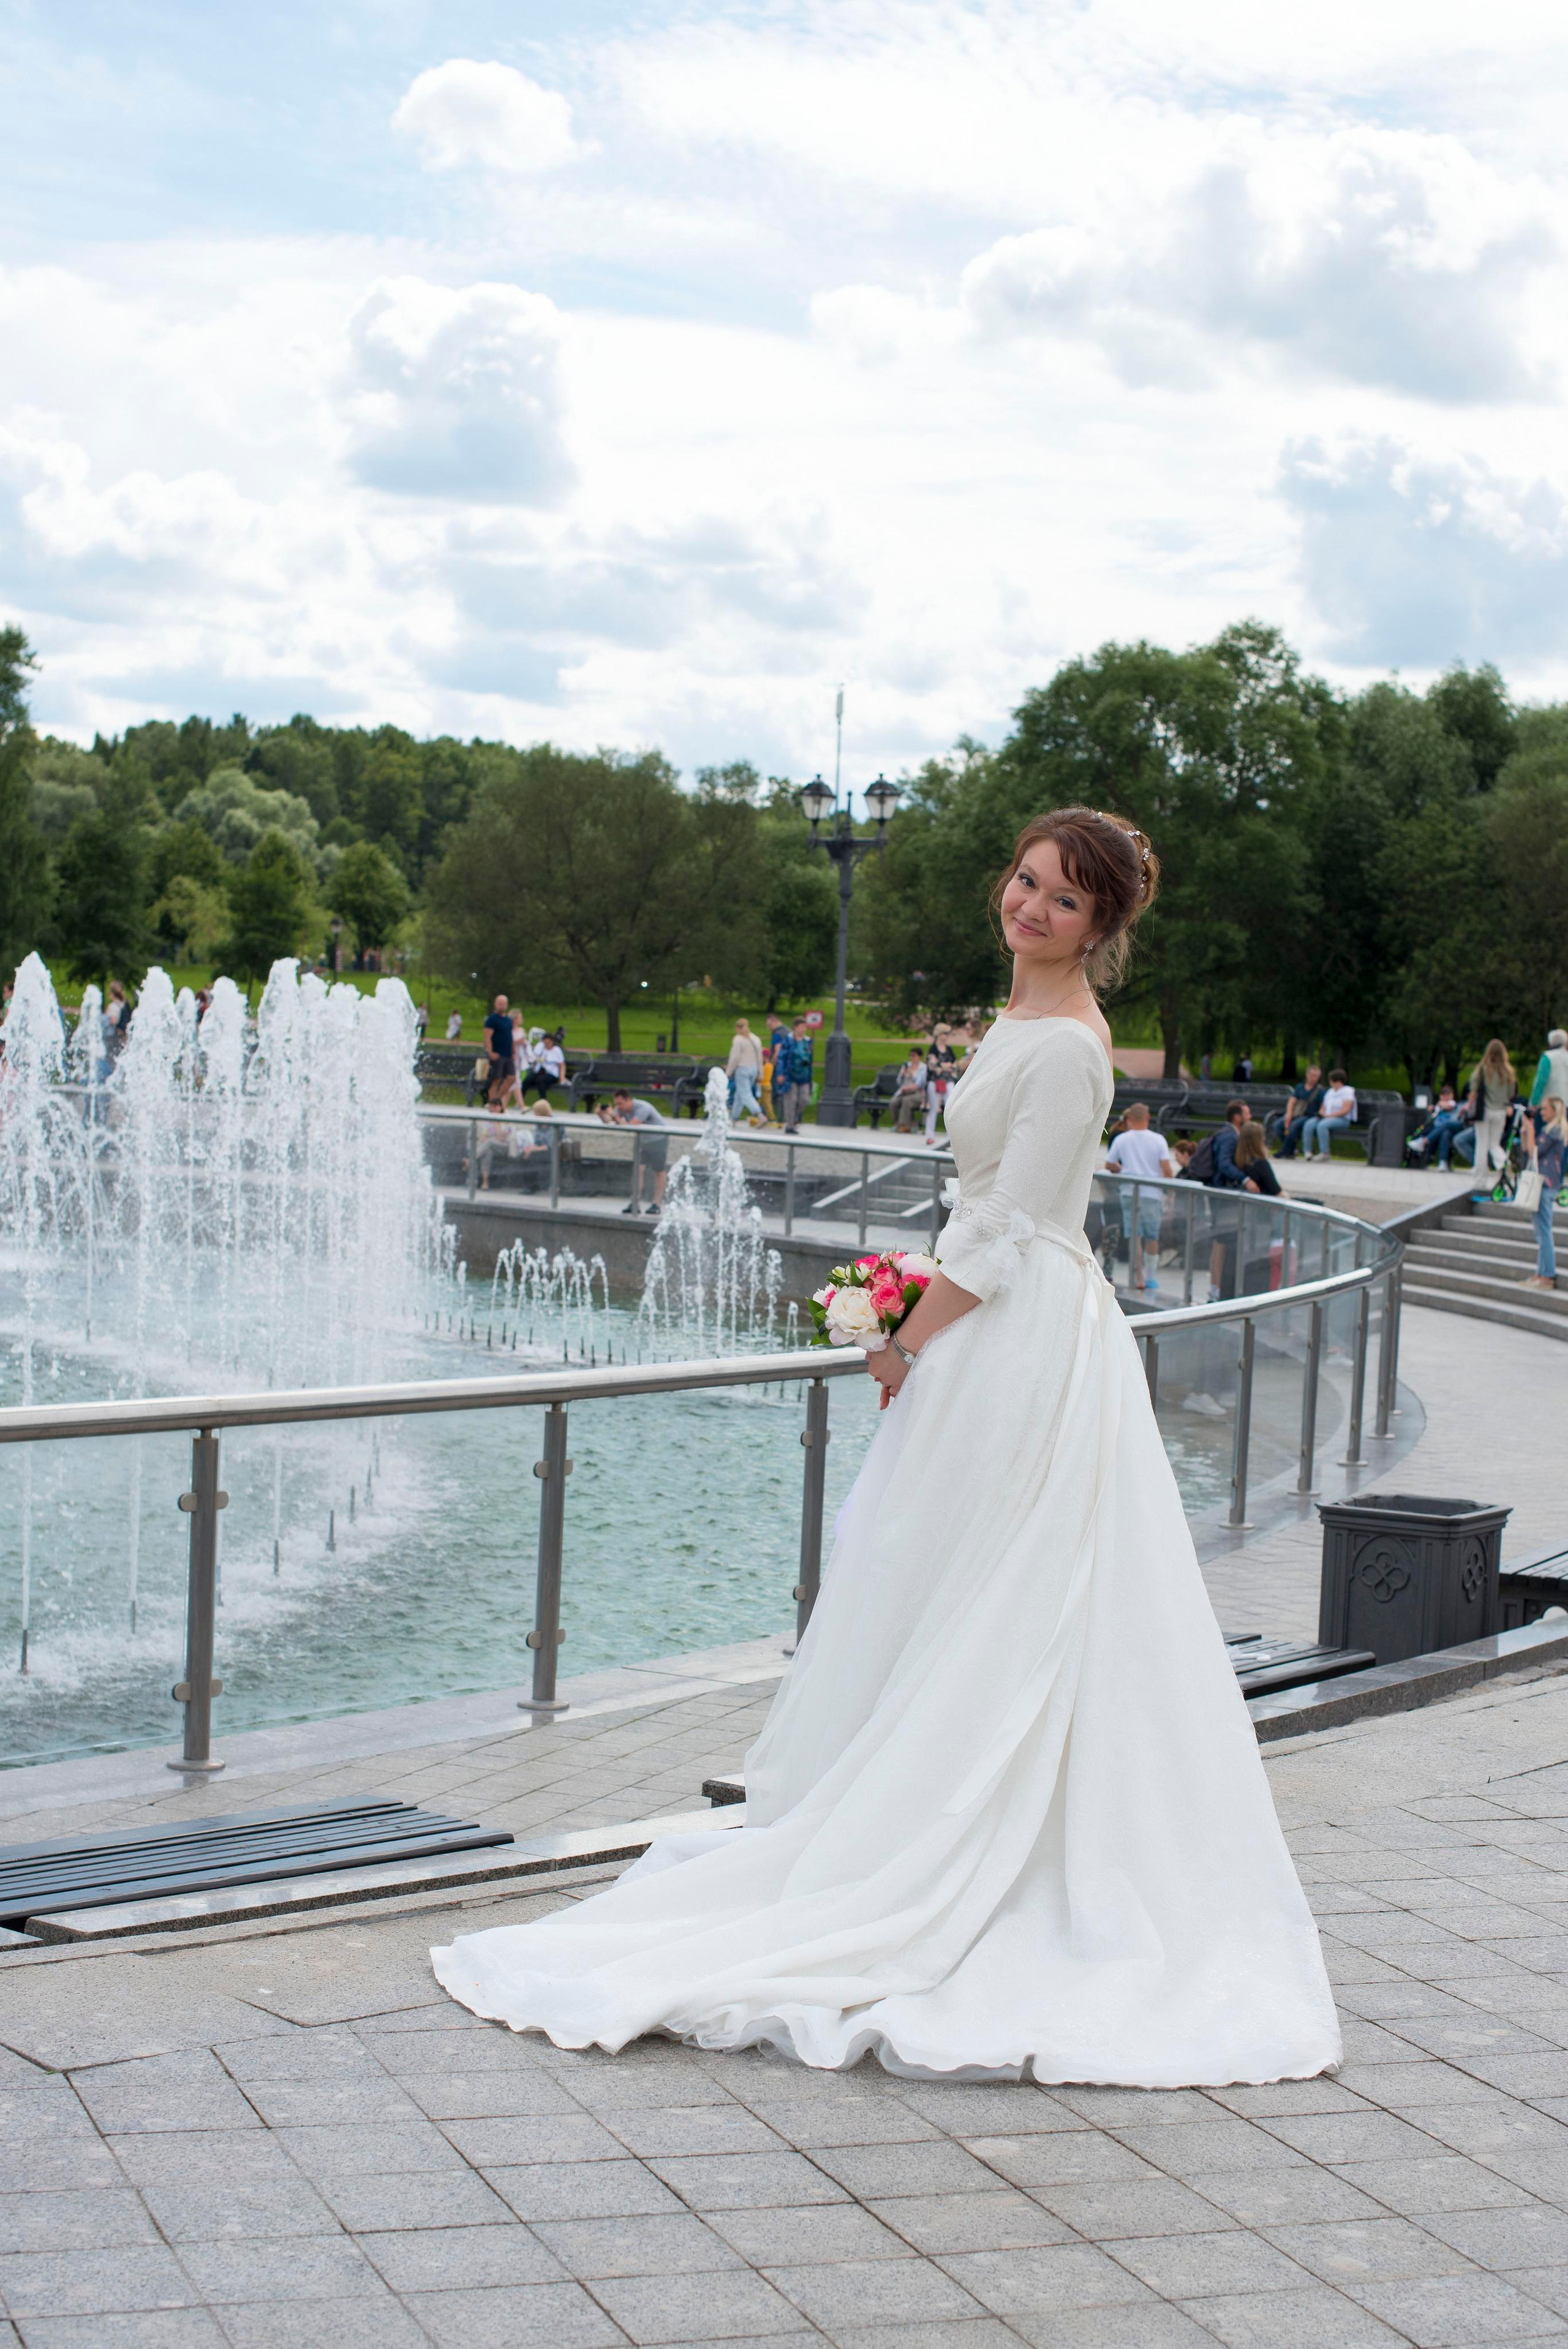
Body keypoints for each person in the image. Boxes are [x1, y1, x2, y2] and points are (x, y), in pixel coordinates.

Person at [433, 803, 1339, 2088]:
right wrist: (910, 1311)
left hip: (1021, 1335)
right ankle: (906, 1804)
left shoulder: (1073, 1051)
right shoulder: (1018, 1021)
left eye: (1062, 899)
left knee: (1003, 1587)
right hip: (989, 1323)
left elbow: (1012, 1228)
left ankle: (977, 1839)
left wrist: (902, 1332)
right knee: (942, 1581)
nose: (1029, 907)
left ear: (1101, 926)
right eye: (1024, 881)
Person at [1103, 1101, 1174, 1291]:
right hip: (1153, 1193)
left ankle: (1138, 1276)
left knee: (1135, 1236)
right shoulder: (1159, 1140)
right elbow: (1166, 1168)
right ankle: (1151, 1277)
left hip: (1129, 1192)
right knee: (1152, 1237)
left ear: (1130, 1119)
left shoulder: (1122, 1139)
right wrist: (1171, 1189)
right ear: (1148, 1118)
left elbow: (1109, 1164)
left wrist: (1121, 1169)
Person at [1520, 1096, 1567, 1291]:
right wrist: (1526, 1132)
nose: (1542, 1112)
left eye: (1545, 1109)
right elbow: (1526, 1148)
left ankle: (1547, 1275)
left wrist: (1530, 1129)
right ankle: (1541, 1273)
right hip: (1545, 1184)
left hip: (1546, 1185)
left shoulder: (1555, 1131)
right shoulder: (1550, 1130)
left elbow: (1534, 1152)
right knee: (1541, 1231)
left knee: (1544, 1231)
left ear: (1555, 1110)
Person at [600, 1089, 669, 1214]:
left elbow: (631, 1125)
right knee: (638, 1170)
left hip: (658, 1139)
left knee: (659, 1171)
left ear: (629, 1100)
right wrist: (601, 1114)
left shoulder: (643, 1108)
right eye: (616, 1104)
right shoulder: (620, 1110)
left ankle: (657, 1204)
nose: (618, 1107)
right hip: (642, 1141)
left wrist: (615, 1116)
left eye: (621, 1104)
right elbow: (614, 1123)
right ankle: (635, 1203)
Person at [1465, 1040, 1516, 1196]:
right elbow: (1511, 1094)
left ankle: (1480, 1180)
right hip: (1500, 1112)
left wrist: (1469, 1107)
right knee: (1494, 1144)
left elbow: (1473, 1090)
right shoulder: (1508, 1072)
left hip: (1484, 1111)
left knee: (1482, 1145)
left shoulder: (1482, 1069)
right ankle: (1504, 1165)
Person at [1300, 1069, 1356, 1160]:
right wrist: (1322, 1113)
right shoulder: (1330, 1092)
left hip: (1341, 1119)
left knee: (1322, 1125)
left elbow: (1345, 1110)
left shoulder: (1347, 1092)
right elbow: (1324, 1106)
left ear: (1336, 1081)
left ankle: (1325, 1153)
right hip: (1326, 1117)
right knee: (1309, 1124)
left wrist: (1328, 1116)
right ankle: (1307, 1151)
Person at [1274, 1065, 1324, 1158]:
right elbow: (1292, 1102)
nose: (1314, 1078)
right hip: (1296, 1114)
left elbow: (1323, 1106)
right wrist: (1288, 1115)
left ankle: (1285, 1151)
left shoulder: (1320, 1091)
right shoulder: (1300, 1087)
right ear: (1307, 1075)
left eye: (1317, 1076)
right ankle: (1291, 1149)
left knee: (1294, 1126)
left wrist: (1320, 1115)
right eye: (1312, 1075)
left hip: (1309, 1116)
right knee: (1278, 1125)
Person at [776, 1017, 813, 1132]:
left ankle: (795, 1118)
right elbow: (782, 1057)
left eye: (805, 1027)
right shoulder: (789, 1040)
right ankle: (790, 1125)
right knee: (791, 1100)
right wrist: (780, 1073)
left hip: (804, 1076)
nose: (804, 1029)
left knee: (804, 1099)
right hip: (790, 1075)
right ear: (795, 1027)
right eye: (802, 1027)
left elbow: (810, 1057)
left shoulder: (807, 1041)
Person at [924, 1024, 958, 1144]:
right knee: (933, 1108)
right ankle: (929, 1135)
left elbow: (954, 1065)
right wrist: (945, 1066)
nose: (947, 1036)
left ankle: (951, 1136)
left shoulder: (949, 1050)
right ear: (939, 1034)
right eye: (945, 1034)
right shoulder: (933, 1049)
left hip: (947, 1081)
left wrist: (943, 1066)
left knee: (949, 1108)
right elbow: (933, 1066)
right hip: (935, 1082)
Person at [725, 1018, 764, 1122]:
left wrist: (728, 1073)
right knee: (739, 1095)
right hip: (754, 1069)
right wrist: (761, 1074)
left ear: (738, 1028)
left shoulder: (738, 1039)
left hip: (743, 1069)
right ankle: (733, 1118)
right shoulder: (756, 1039)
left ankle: (760, 1115)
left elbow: (735, 1058)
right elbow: (760, 1058)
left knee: (745, 1094)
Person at [483, 993, 514, 1106]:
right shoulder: (492, 1020)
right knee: (497, 1079)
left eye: (504, 1004)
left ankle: (496, 1100)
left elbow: (510, 1037)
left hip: (508, 1054)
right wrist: (490, 1052)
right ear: (496, 1005)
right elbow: (487, 1037)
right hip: (497, 1054)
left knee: (511, 1078)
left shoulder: (508, 1020)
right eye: (500, 1004)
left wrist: (513, 1052)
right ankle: (493, 1105)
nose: (502, 1006)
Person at [890, 1046, 928, 1134]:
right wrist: (903, 1074)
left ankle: (905, 1125)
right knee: (894, 1102)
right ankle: (898, 1123)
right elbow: (899, 1082)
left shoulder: (923, 1068)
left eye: (914, 1055)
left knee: (906, 1101)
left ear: (919, 1056)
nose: (912, 1058)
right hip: (905, 1092)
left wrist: (912, 1074)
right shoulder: (907, 1066)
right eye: (911, 1055)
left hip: (917, 1093)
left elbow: (920, 1083)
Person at [1530, 1029, 1568, 1111]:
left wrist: (1534, 1102)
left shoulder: (1548, 1057)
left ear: (1551, 1042)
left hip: (1549, 1105)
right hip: (1566, 1103)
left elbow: (1541, 1081)